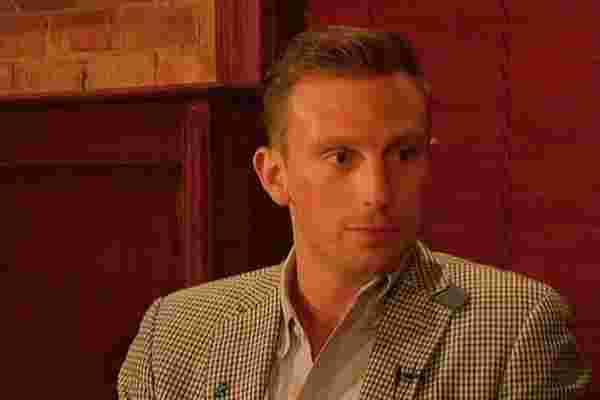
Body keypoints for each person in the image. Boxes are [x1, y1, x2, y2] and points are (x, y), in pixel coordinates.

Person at [118, 26, 592, 399]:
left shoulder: (513, 328)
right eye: (342, 157)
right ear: (275, 176)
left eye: (403, 154)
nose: (378, 193)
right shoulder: (178, 334)